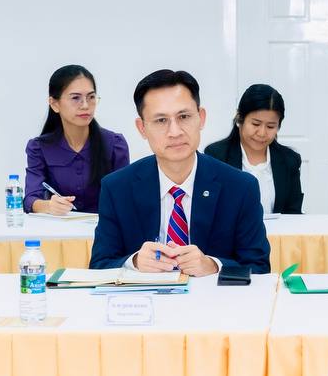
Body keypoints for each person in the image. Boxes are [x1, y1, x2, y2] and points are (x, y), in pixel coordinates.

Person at [90, 69, 270, 275]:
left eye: (184, 116)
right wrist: (135, 262)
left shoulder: (241, 187)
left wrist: (213, 266)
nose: (175, 132)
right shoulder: (117, 188)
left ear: (201, 118)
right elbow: (99, 266)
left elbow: (259, 268)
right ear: (142, 128)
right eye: (161, 120)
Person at [25, 65, 130, 215]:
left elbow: (126, 199)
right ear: (54, 104)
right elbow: (30, 199)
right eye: (76, 98)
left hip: (105, 227)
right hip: (59, 228)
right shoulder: (39, 147)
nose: (85, 105)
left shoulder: (115, 144)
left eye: (91, 97)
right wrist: (48, 206)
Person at [203, 83, 304, 214]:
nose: (262, 133)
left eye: (270, 126)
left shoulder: (290, 160)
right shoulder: (216, 156)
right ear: (239, 119)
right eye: (256, 124)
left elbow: (293, 214)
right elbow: (208, 210)